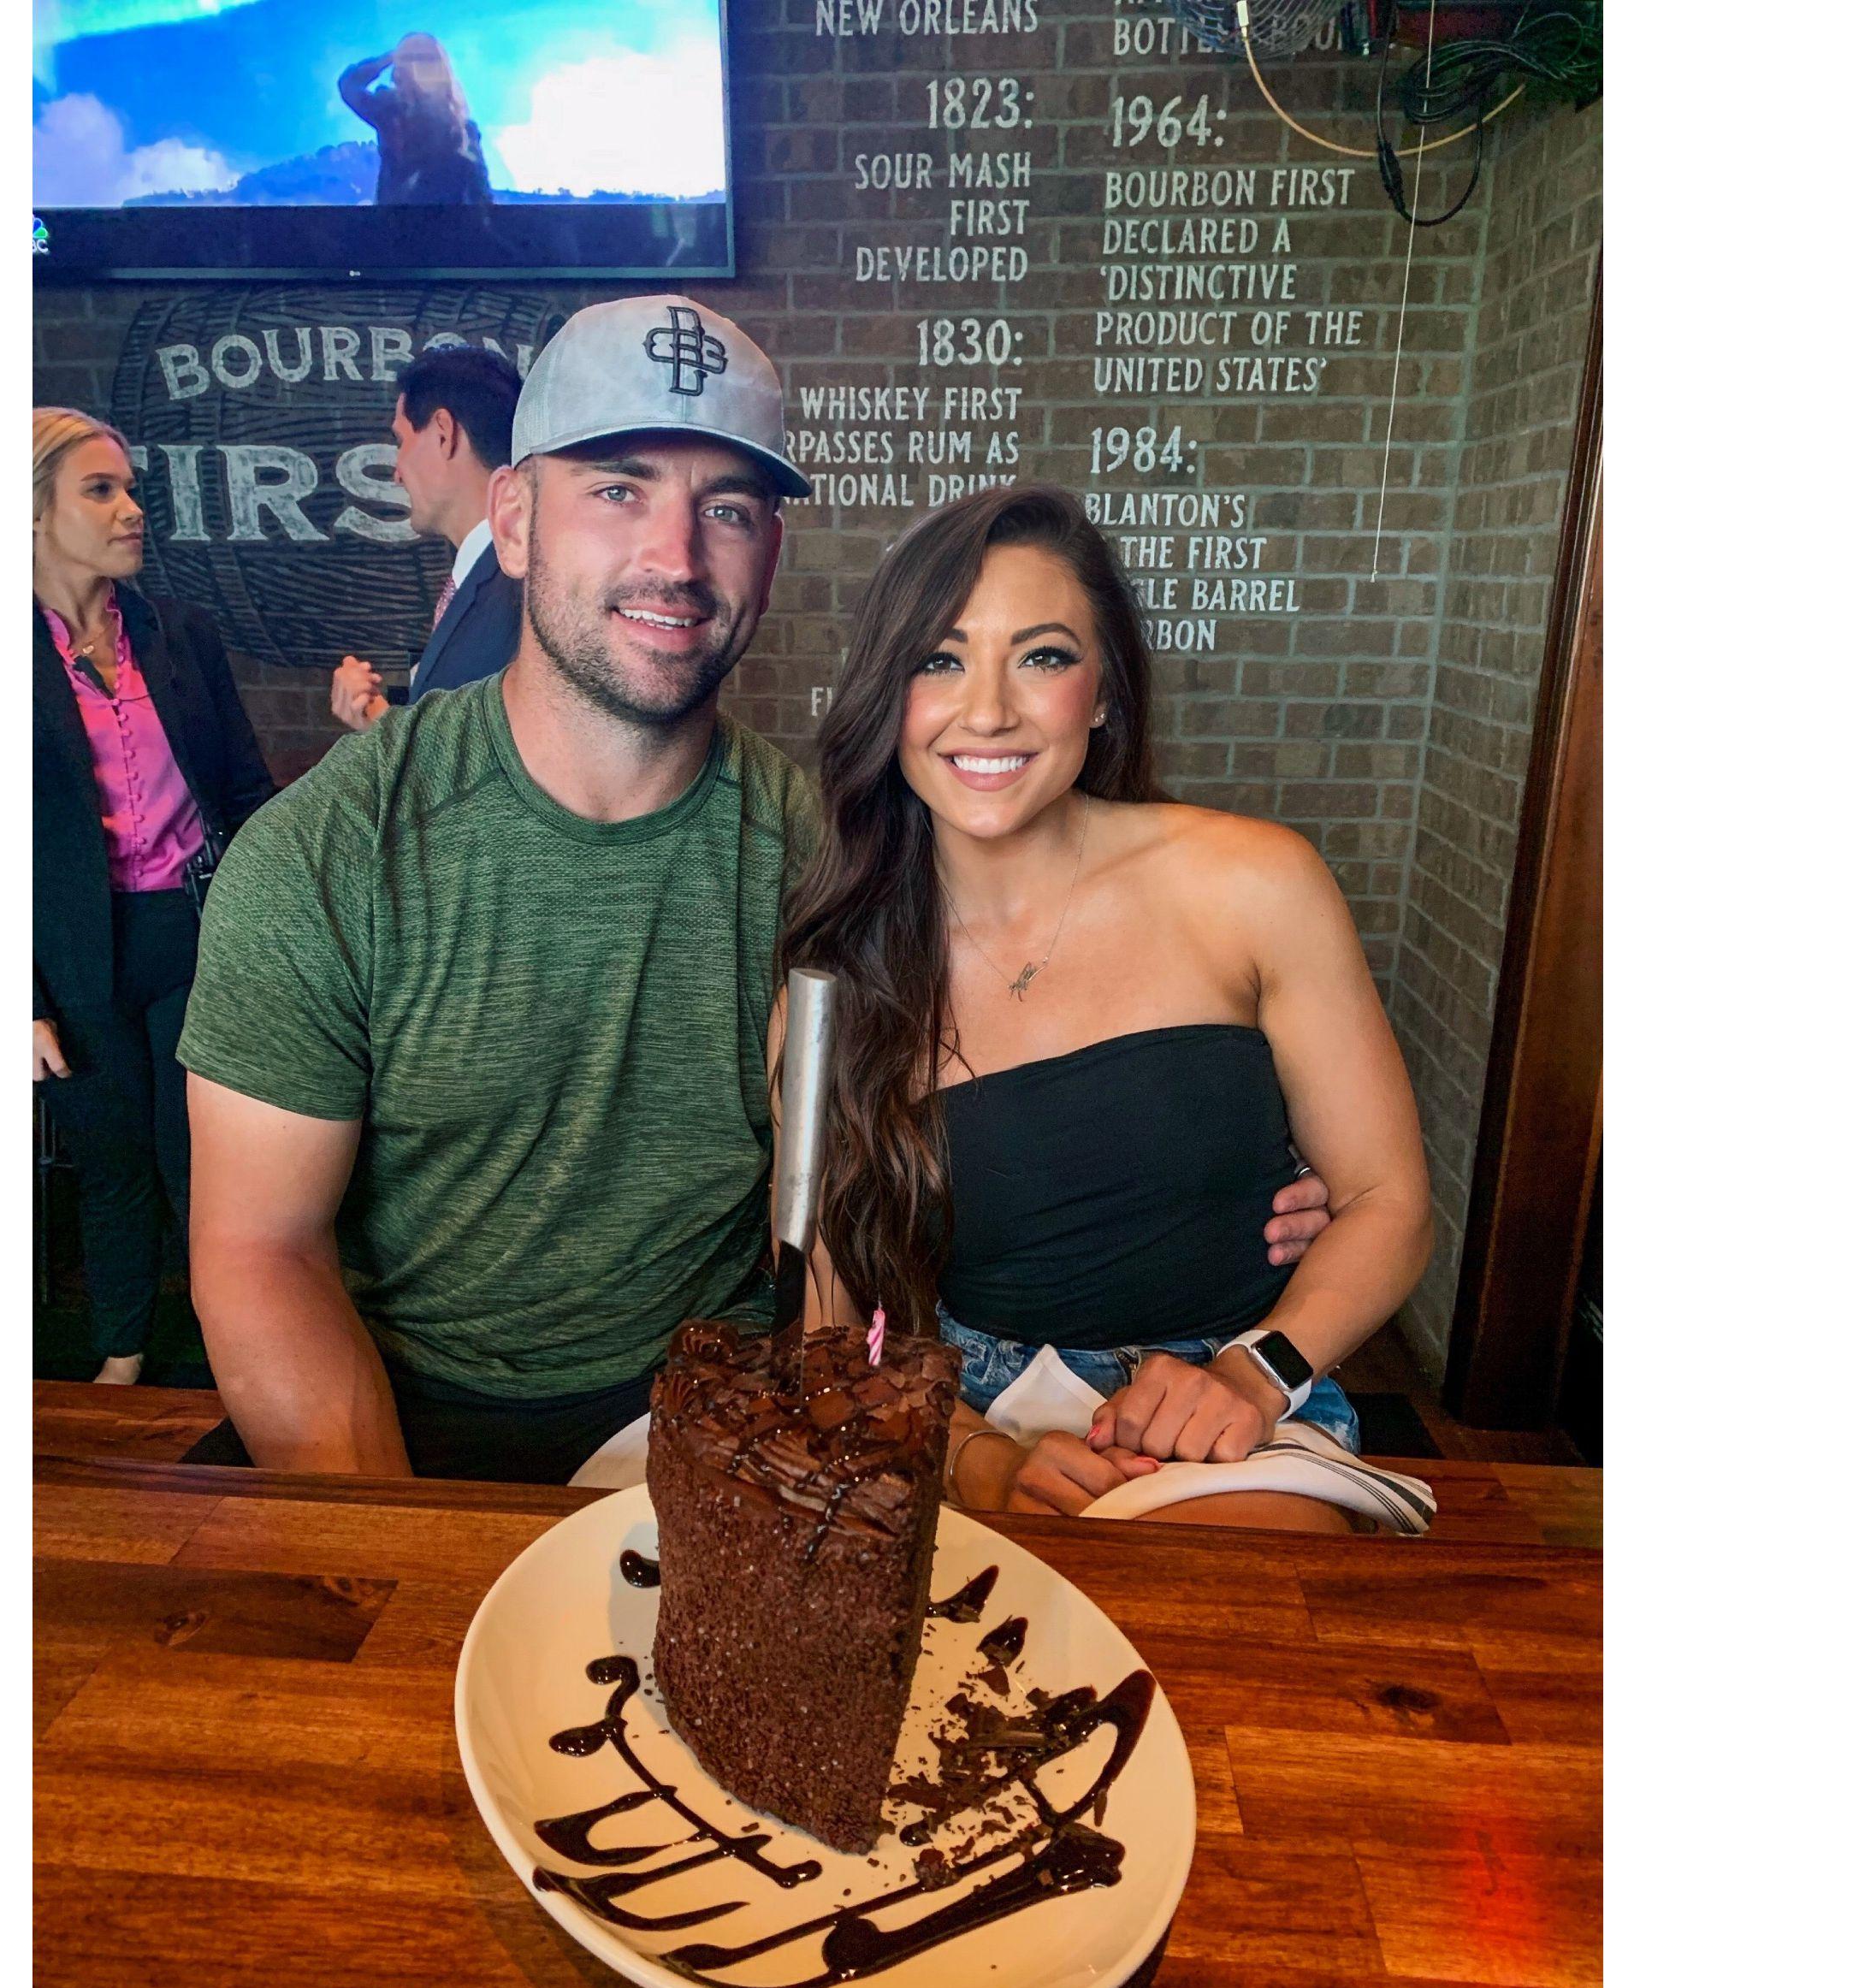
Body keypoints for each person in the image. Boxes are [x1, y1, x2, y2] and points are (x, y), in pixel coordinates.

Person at [179, 299, 1333, 1482]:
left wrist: (1234, 1168)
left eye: (726, 509)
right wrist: (396, 1546)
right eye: (618, 490)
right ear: (514, 520)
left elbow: (1019, 1079)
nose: (677, 559)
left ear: (771, 554)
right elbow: (262, 1249)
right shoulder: (328, 851)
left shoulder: (838, 863)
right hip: (400, 1411)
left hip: (729, 1411)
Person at [778, 483, 1434, 1532]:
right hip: (964, 1418)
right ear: (887, 693)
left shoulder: (1254, 883)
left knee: (1225, 1597)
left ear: (1104, 691)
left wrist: (1253, 1373)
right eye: (939, 660)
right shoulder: (834, 992)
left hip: (1240, 1403)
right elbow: (830, 1340)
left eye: (1041, 657)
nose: (988, 710)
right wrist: (978, 1459)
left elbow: (1386, 1200)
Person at [33, 408, 275, 1385]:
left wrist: (268, 932)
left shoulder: (179, 633)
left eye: (130, 488)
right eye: (101, 491)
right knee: (114, 1162)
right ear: (32, 513)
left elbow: (247, 792)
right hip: (73, 956)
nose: (132, 509)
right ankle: (122, 1355)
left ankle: (240, 1354)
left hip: (193, 931)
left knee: (205, 1163)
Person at [329, 344, 524, 732]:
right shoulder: (495, 573)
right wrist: (382, 720)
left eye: (401, 441)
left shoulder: (511, 591)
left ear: (443, 434)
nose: (397, 471)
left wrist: (380, 730)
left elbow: (483, 761)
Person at [338, 34, 494, 210]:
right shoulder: (391, 113)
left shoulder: (390, 114)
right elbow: (481, 194)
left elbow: (349, 85)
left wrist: (388, 59)